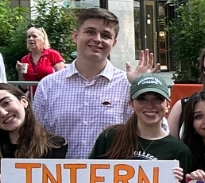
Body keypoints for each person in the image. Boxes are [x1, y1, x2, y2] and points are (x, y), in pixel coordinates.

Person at [33, 9, 147, 159]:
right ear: (75, 36)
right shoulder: (48, 86)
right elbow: (35, 138)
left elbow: (152, 133)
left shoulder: (127, 85)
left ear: (114, 43)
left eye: (105, 35)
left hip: (113, 178)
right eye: (90, 32)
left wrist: (143, 88)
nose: (97, 39)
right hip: (61, 179)